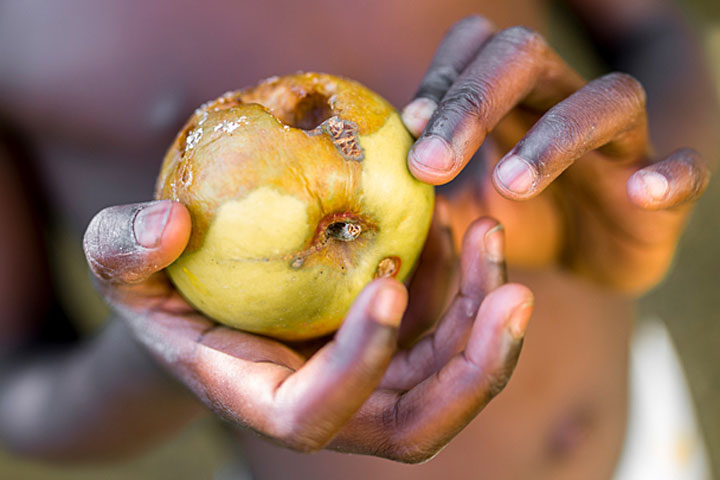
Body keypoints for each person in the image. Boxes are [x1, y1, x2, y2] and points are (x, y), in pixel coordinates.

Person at [0, 0, 718, 478]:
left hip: (640, 450)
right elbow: (16, 385)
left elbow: (656, 32)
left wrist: (639, 200)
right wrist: (162, 357)